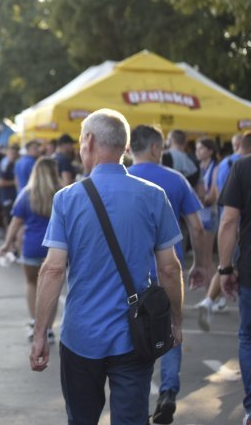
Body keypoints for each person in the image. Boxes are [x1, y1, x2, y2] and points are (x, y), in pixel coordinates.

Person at [30, 109, 184, 425]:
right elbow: (170, 269)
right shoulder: (154, 196)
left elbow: (53, 270)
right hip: (135, 334)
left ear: (88, 141)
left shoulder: (66, 199)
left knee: (81, 419)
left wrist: (40, 332)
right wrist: (176, 322)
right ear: (124, 146)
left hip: (81, 336)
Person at [128, 124, 211, 424]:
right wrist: (200, 263)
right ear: (155, 148)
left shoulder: (121, 178)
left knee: (132, 336)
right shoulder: (175, 180)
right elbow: (198, 226)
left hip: (127, 278)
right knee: (172, 325)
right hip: (167, 271)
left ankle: (135, 399)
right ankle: (168, 391)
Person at [0, 157, 61, 343]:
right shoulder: (62, 193)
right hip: (55, 249)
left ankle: (35, 323)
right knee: (52, 289)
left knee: (32, 284)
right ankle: (48, 329)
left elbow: (15, 223)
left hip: (32, 247)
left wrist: (7, 243)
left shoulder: (27, 194)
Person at [217, 132, 251, 425]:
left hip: (250, 269)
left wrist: (225, 268)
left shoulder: (242, 167)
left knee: (249, 337)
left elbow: (228, 221)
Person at [194, 137, 226, 330]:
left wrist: (197, 199)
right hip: (202, 215)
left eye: (200, 148)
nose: (197, 151)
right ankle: (211, 298)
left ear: (209, 150)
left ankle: (215, 298)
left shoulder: (215, 167)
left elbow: (213, 195)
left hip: (209, 216)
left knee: (206, 260)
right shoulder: (202, 166)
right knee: (204, 260)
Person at [0, 144, 19, 225]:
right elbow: (0, 183)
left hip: (14, 195)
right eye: (11, 153)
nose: (13, 155)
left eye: (15, 153)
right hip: (6, 195)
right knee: (8, 217)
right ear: (7, 153)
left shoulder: (16, 163)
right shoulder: (4, 164)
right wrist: (14, 182)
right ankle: (8, 235)